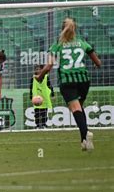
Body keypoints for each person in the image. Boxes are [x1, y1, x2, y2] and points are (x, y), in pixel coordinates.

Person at [37, 17, 101, 151]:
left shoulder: (57, 45)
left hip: (68, 80)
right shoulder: (82, 43)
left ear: (62, 29)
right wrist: (96, 65)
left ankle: (86, 133)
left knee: (76, 109)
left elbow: (48, 66)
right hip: (84, 80)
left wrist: (40, 76)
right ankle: (84, 141)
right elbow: (98, 62)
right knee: (79, 107)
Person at [30, 64, 54, 129]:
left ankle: (44, 124)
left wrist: (52, 94)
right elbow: (31, 87)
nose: (38, 70)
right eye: (37, 69)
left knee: (44, 112)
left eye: (40, 69)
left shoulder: (46, 77)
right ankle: (37, 125)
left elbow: (50, 86)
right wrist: (31, 96)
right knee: (37, 112)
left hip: (44, 97)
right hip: (36, 98)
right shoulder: (33, 78)